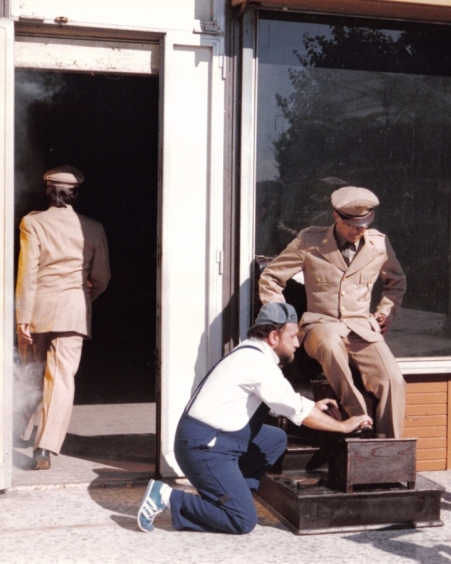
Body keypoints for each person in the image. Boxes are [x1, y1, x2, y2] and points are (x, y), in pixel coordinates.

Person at [137, 302, 372, 534]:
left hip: (215, 439)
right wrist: (343, 426)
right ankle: (166, 496)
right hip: (204, 448)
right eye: (293, 337)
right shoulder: (257, 363)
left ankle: (231, 493)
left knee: (275, 439)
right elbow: (295, 409)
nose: (297, 344)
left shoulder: (252, 352)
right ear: (273, 336)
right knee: (242, 520)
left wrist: (313, 405)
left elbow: (282, 401)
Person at [258, 186, 407, 438]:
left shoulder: (378, 244)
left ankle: (389, 449)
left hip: (361, 327)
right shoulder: (310, 241)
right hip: (320, 325)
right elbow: (271, 277)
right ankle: (359, 420)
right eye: (353, 224)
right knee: (330, 345)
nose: (359, 230)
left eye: (364, 223)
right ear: (337, 215)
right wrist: (284, 321)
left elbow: (397, 281)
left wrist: (384, 312)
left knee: (393, 380)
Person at [16, 165, 110, 470]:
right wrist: (83, 298)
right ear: (75, 195)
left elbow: (27, 274)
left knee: (33, 373)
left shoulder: (32, 223)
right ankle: (44, 447)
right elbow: (102, 277)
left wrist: (22, 317)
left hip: (39, 309)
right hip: (73, 311)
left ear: (48, 191)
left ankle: (20, 431)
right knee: (60, 379)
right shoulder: (93, 228)